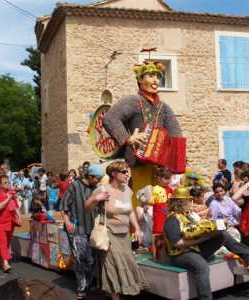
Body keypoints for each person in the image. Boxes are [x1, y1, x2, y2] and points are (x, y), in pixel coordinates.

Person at [103, 60, 185, 206]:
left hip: (159, 166)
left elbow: (176, 134)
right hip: (137, 163)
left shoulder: (163, 107)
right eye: (151, 76)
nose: (155, 80)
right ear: (140, 79)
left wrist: (178, 163)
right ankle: (136, 229)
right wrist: (128, 139)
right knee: (141, 201)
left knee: (159, 200)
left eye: (158, 76)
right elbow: (110, 118)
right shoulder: (133, 101)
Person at [164, 187, 249, 300]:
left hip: (194, 249)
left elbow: (198, 228)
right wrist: (202, 239)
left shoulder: (186, 215)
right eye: (189, 200)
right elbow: (177, 243)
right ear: (181, 202)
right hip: (180, 255)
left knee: (222, 235)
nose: (191, 203)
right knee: (202, 267)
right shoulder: (172, 219)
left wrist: (215, 228)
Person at [85, 161, 148, 300]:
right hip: (109, 235)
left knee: (127, 264)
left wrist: (137, 228)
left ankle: (122, 292)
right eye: (124, 172)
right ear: (114, 174)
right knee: (112, 266)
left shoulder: (127, 190)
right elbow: (87, 208)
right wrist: (96, 198)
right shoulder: (103, 189)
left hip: (124, 236)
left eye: (128, 171)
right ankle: (115, 296)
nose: (127, 174)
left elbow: (130, 211)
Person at [59, 164, 106, 300]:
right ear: (90, 176)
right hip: (77, 228)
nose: (99, 181)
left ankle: (88, 284)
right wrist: (67, 223)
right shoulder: (74, 186)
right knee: (80, 259)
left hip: (93, 230)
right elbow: (64, 206)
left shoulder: (96, 188)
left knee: (90, 260)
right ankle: (81, 287)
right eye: (97, 178)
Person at [0, 175, 19, 272]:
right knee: (3, 241)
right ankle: (5, 263)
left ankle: (0, 258)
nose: (8, 184)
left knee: (7, 241)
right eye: (5, 183)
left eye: (8, 182)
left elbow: (15, 205)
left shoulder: (10, 192)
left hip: (10, 221)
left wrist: (18, 216)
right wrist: (8, 198)